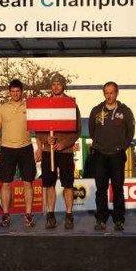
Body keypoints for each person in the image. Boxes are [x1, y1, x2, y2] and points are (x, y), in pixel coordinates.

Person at [35, 73, 81, 229]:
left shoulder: (71, 104)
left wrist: (64, 144)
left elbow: (77, 131)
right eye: (53, 84)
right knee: (49, 184)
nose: (55, 87)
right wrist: (45, 139)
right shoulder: (44, 104)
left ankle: (69, 215)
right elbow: (38, 129)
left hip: (65, 152)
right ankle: (50, 215)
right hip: (48, 152)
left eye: (58, 84)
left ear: (63, 86)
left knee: (68, 184)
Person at [88, 81, 135, 231]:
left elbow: (130, 132)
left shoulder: (125, 111)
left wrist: (122, 147)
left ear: (117, 93)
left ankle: (118, 219)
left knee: (118, 188)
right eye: (106, 93)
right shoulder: (96, 110)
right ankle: (101, 219)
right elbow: (91, 130)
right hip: (100, 155)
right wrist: (100, 144)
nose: (109, 96)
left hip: (117, 155)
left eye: (111, 93)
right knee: (101, 189)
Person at [0, 79, 37, 227]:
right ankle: (5, 215)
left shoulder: (29, 107)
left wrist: (39, 148)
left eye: (18, 91)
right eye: (12, 91)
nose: (15, 94)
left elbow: (38, 127)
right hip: (7, 148)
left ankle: (28, 215)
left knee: (28, 182)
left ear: (22, 92)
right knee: (5, 183)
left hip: (26, 147)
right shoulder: (2, 108)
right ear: (9, 92)